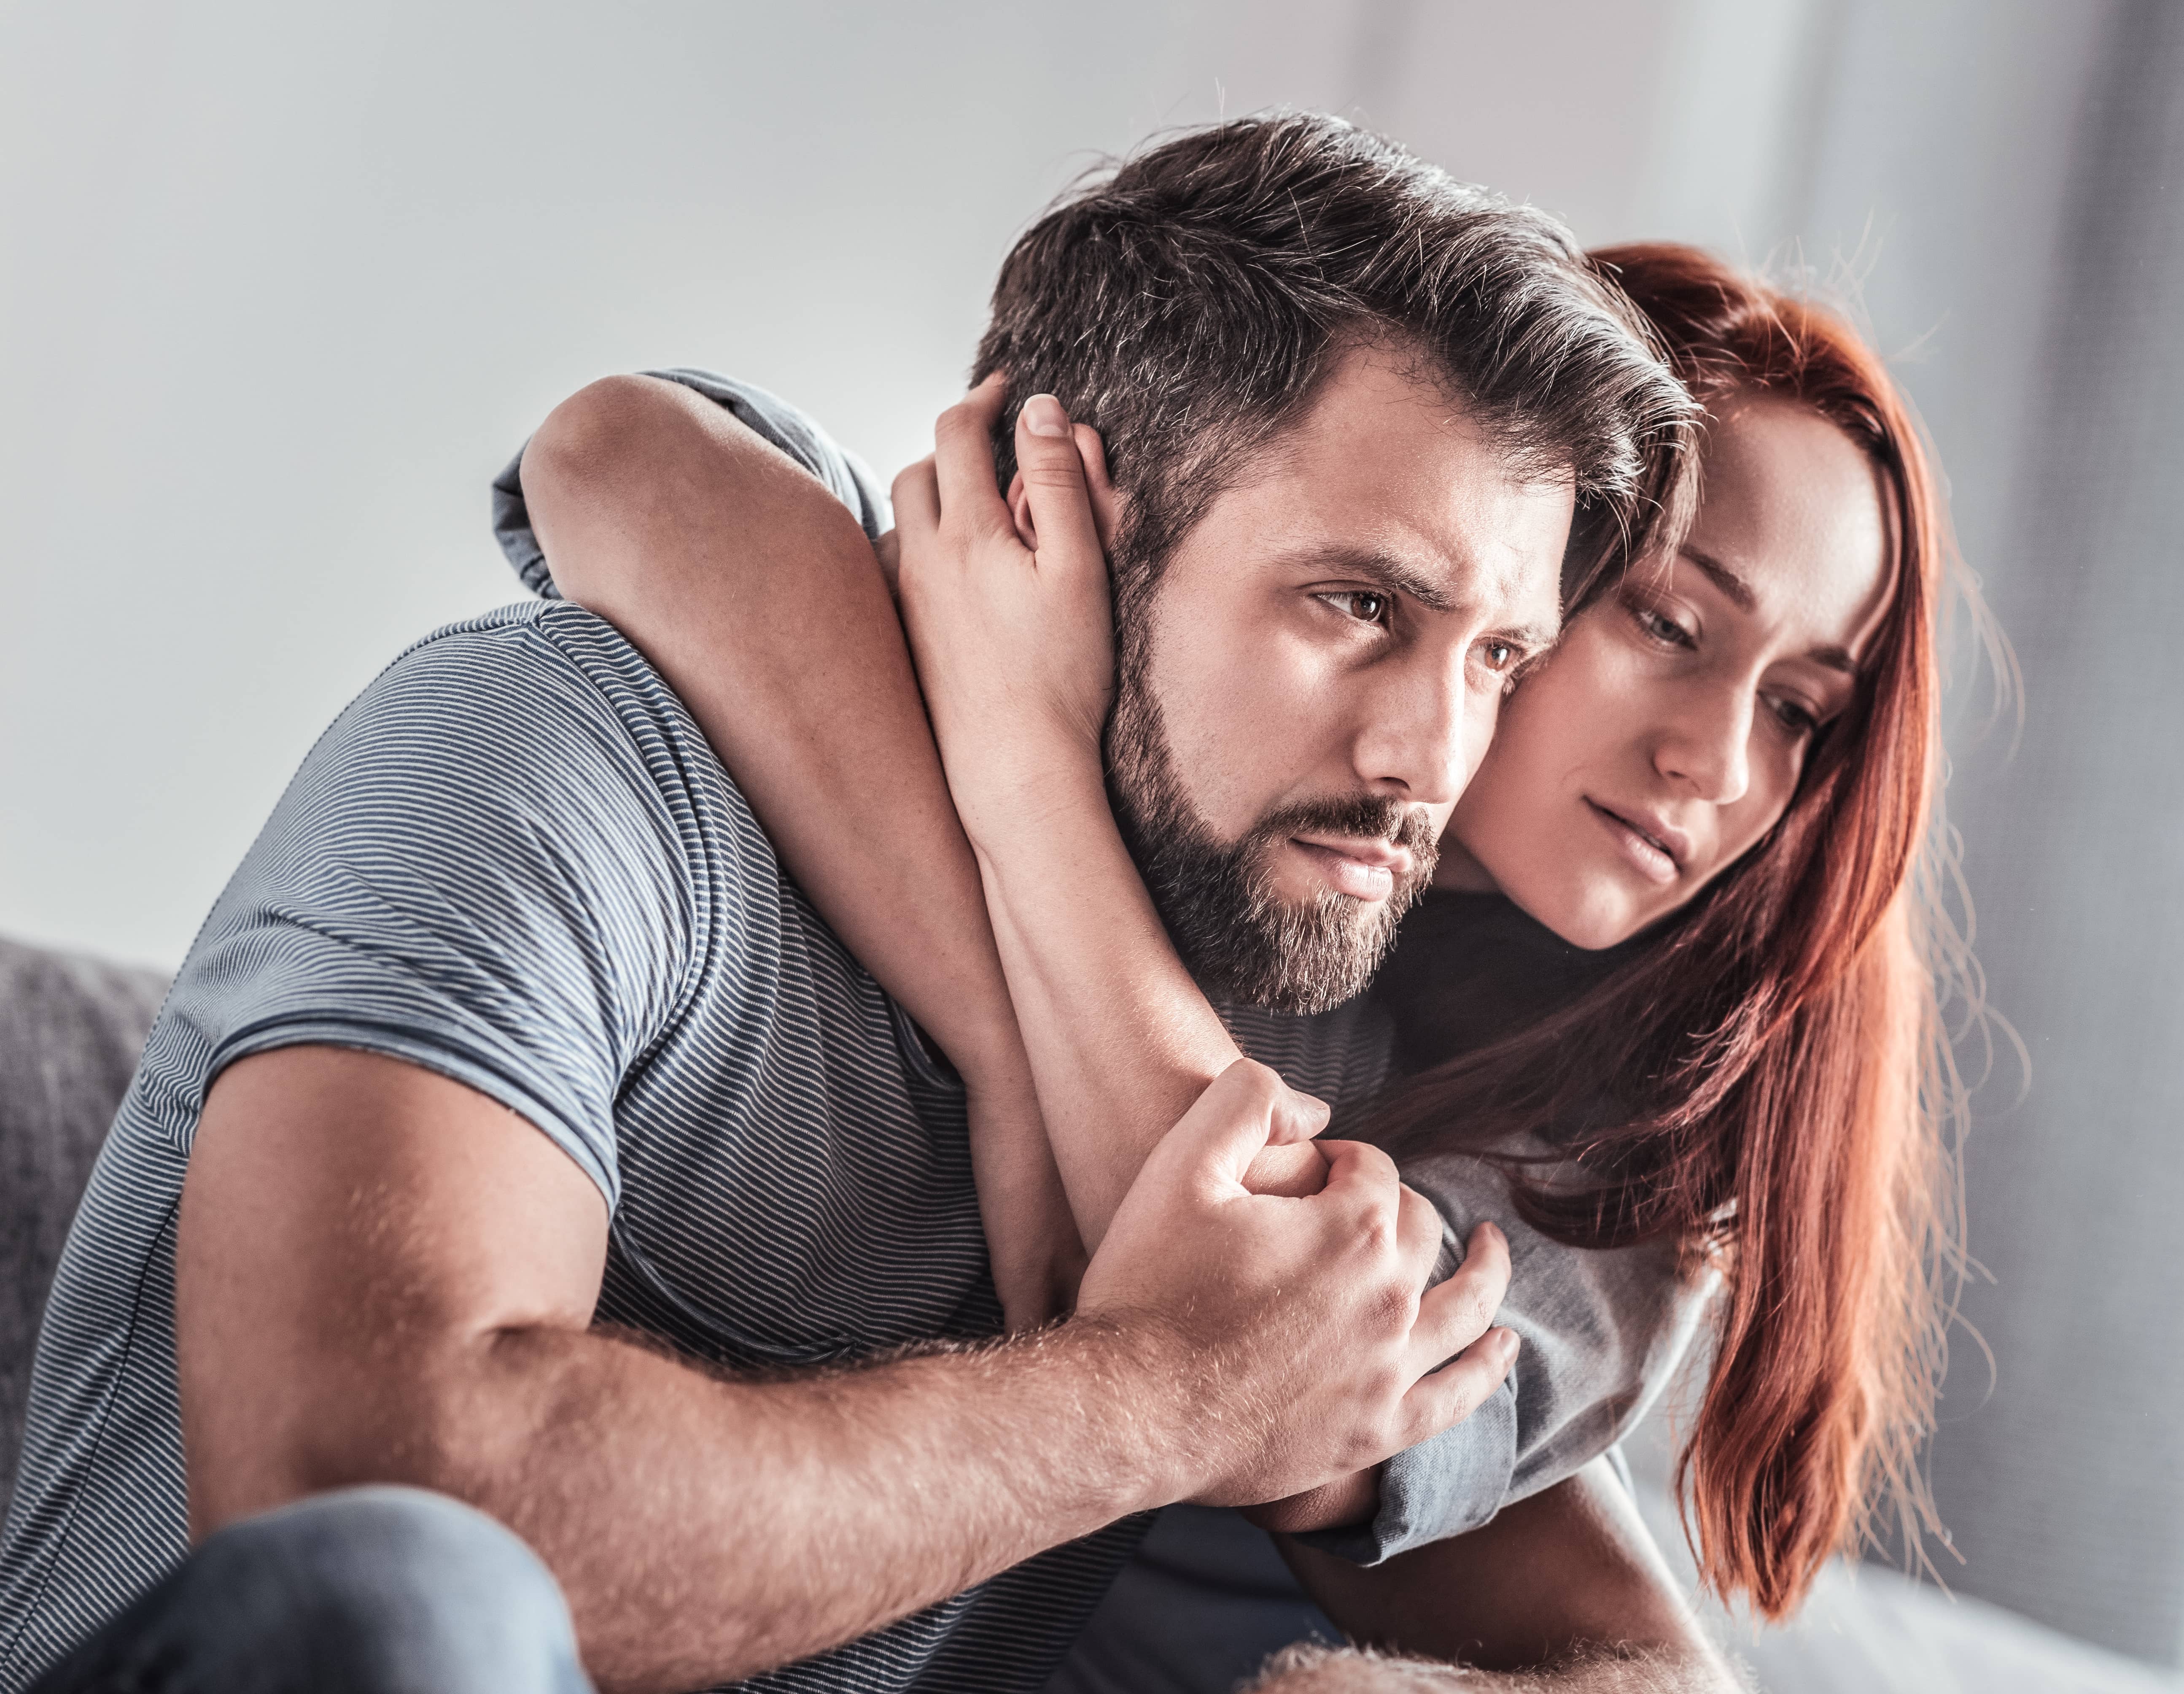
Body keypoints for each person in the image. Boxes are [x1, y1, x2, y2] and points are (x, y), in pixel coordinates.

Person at [0, 116, 1702, 1694]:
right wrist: (1166, 1389)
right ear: (1053, 515)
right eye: (1353, 604)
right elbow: (359, 1494)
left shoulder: (1292, 1022)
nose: (1429, 753)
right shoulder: (562, 754)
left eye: (1497, 658)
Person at [520, 238, 1978, 1690]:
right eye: (1669, 623)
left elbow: (1249, 1330)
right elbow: (614, 451)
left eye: (1800, 707)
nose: (1716, 763)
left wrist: (1023, 788)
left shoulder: (1614, 1163)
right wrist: (1010, 1032)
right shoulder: (1164, 692)